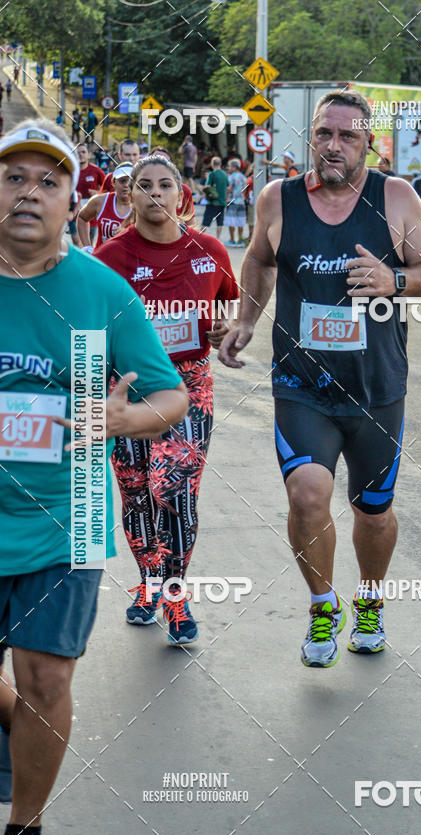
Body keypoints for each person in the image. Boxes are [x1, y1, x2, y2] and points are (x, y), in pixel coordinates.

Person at [0, 118, 188, 835]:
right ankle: (16, 730)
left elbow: (172, 395)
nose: (29, 193)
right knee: (24, 700)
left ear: (75, 203)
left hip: (68, 512)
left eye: (49, 182)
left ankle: (25, 832)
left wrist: (125, 420)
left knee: (46, 680)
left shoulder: (103, 291)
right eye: (14, 177)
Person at [218, 89, 421, 667]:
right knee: (307, 493)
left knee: (373, 510)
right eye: (324, 133)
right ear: (312, 138)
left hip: (376, 388)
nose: (334, 144)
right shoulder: (280, 198)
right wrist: (247, 319)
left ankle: (368, 601)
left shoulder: (394, 197)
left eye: (348, 135)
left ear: (368, 141)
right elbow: (259, 259)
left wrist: (394, 280)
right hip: (302, 387)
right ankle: (324, 607)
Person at [95, 154, 238, 644]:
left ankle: (176, 594)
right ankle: (150, 579)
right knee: (135, 493)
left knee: (172, 488)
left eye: (165, 185)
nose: (155, 193)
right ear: (129, 196)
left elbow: (226, 308)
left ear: (181, 194)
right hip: (129, 389)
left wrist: (223, 331)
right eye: (144, 185)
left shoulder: (210, 250)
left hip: (190, 384)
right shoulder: (109, 258)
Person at [76, 162, 132, 250]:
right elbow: (82, 218)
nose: (126, 185)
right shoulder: (100, 201)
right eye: (122, 181)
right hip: (102, 260)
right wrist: (87, 246)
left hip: (130, 261)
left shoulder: (142, 206)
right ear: (113, 182)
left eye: (130, 181)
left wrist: (127, 235)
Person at [201, 155, 227, 240]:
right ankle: (218, 239)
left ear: (212, 164)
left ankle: (200, 238)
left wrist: (203, 190)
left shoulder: (212, 174)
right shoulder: (224, 174)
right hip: (222, 202)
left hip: (212, 202)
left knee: (206, 221)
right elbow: (228, 187)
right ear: (220, 164)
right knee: (220, 222)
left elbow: (207, 186)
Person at [225, 158, 247, 247]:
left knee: (231, 221)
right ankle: (240, 240)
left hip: (232, 201)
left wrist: (226, 197)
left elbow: (229, 188)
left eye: (229, 167)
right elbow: (245, 189)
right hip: (241, 201)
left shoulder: (231, 177)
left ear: (234, 167)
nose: (228, 168)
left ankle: (232, 240)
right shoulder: (243, 177)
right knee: (240, 221)